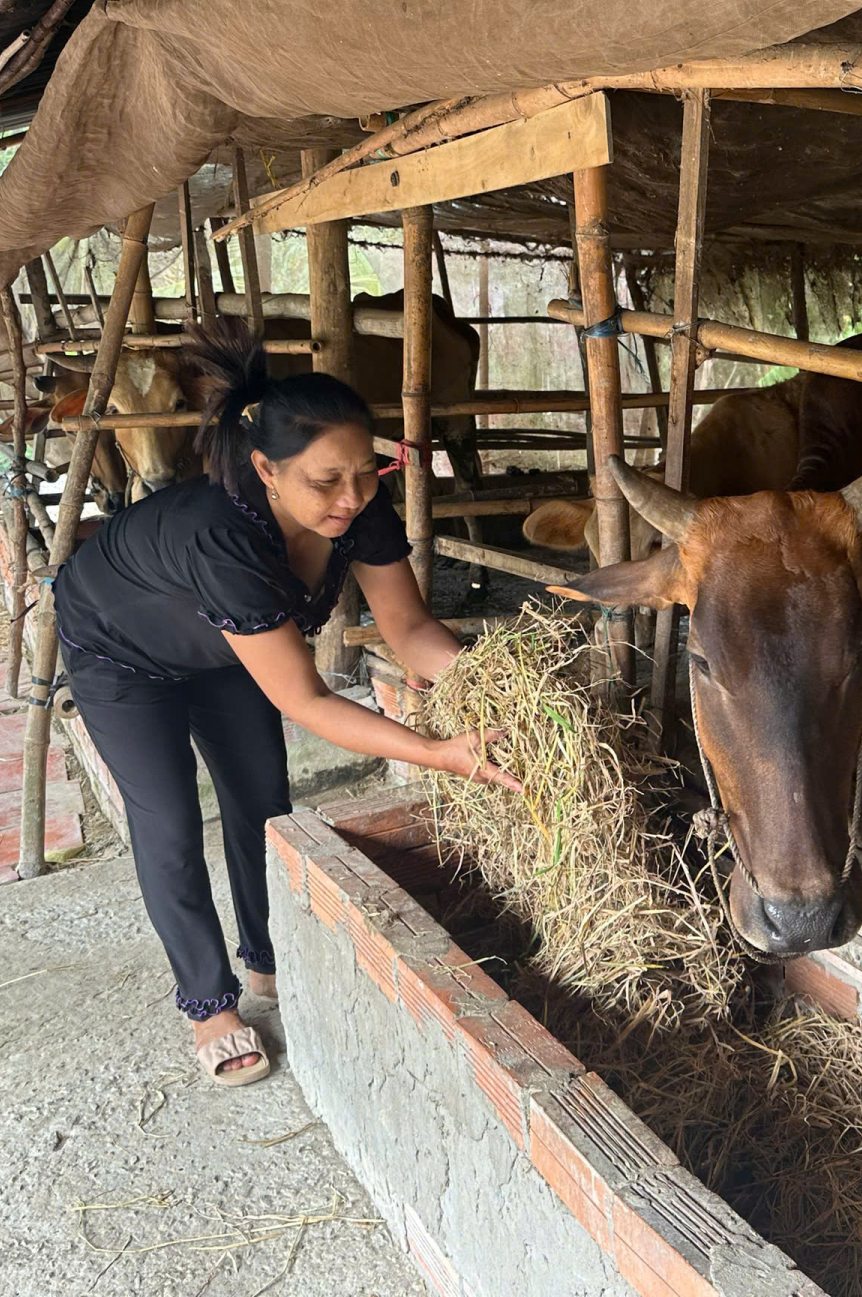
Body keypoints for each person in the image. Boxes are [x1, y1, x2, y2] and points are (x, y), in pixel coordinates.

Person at [52, 316, 517, 1087]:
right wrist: (437, 753)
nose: (351, 497)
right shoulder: (221, 538)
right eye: (324, 482)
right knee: (168, 819)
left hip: (229, 646)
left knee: (262, 803)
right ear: (266, 470)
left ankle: (266, 960)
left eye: (365, 472)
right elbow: (303, 698)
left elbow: (407, 626)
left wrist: (492, 686)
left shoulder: (360, 506)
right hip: (122, 651)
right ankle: (210, 1004)